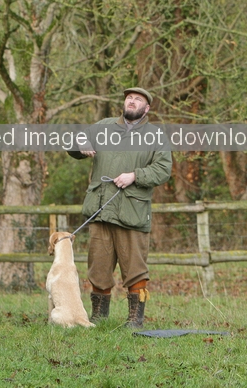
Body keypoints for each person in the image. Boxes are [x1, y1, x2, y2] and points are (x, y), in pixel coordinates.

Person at [68, 87, 172, 328]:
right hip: (101, 210)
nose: (132, 101)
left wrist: (135, 176)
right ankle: (99, 318)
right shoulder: (103, 127)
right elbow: (74, 143)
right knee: (98, 268)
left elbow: (163, 170)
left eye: (138, 99)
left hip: (132, 211)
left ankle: (135, 320)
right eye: (129, 98)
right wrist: (80, 144)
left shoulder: (156, 136)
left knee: (135, 269)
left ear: (147, 108)